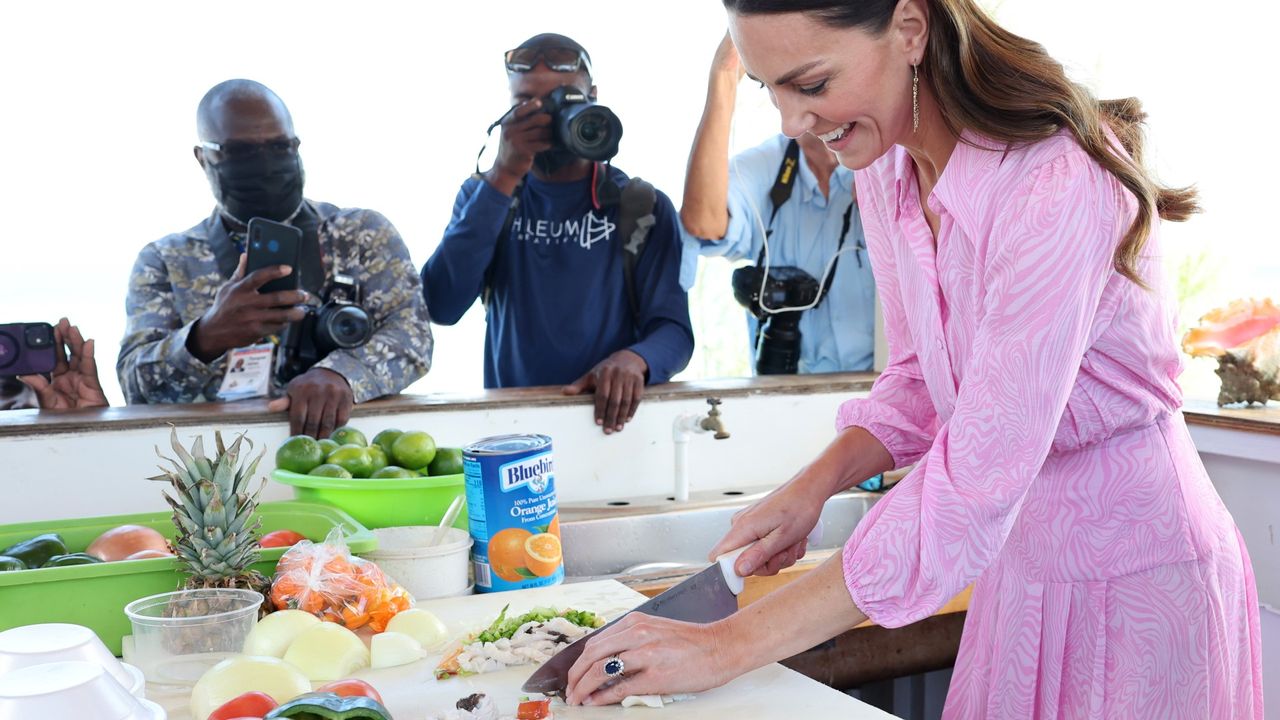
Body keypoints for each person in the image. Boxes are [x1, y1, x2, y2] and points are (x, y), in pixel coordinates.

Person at [564, 1, 1263, 717]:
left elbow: (978, 472)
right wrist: (812, 488)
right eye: (767, 89)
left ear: (909, 29)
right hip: (1018, 570)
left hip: (1137, 578)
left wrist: (724, 646)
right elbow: (920, 380)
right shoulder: (885, 166)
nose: (789, 122)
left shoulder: (1057, 184)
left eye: (810, 84)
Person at [118, 80, 432, 438]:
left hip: (350, 459)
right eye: (240, 152)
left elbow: (414, 338)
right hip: (219, 470)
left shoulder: (361, 234)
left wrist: (342, 372)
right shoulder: (166, 260)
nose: (264, 163)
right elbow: (135, 385)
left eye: (280, 146)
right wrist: (205, 337)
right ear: (203, 157)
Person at [423, 34, 694, 435]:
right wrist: (503, 174)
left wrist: (636, 359)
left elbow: (674, 329)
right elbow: (442, 305)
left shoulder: (641, 205)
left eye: (563, 99)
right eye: (526, 104)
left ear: (594, 99)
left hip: (615, 429)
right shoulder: (485, 195)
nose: (547, 116)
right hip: (512, 427)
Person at [681, 32, 876, 375]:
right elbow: (703, 222)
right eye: (778, 88)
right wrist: (724, 76)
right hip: (784, 398)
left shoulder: (886, 158)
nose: (797, 112)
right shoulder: (768, 167)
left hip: (881, 392)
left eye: (814, 84)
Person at [2, 318, 109, 410]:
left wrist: (86, 418)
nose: (19, 405)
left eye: (35, 391)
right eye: (6, 390)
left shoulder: (63, 406)